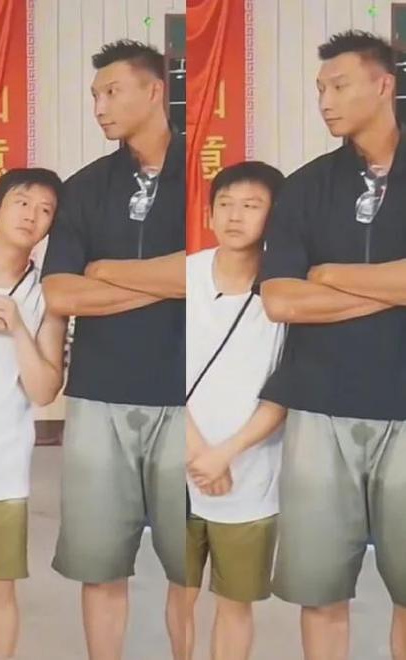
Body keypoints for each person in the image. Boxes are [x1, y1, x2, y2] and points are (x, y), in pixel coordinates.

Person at [260, 31, 406, 660]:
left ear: (383, 84)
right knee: (319, 592)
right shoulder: (305, 186)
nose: (325, 100)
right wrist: (393, 288)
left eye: (339, 85)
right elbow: (280, 300)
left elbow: (307, 288)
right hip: (318, 408)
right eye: (320, 88)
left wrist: (331, 275)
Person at [41, 40, 186, 659]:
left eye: (111, 92)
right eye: (94, 95)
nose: (99, 106)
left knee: (188, 567)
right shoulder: (85, 187)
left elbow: (216, 274)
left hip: (188, 397)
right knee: (100, 566)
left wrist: (108, 273)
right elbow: (60, 291)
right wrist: (167, 279)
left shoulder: (207, 177)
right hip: (99, 398)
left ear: (154, 91)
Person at [185, 161, 286, 660]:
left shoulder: (286, 291)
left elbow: (287, 387)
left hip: (250, 475)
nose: (234, 215)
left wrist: (226, 453)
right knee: (177, 596)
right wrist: (199, 452)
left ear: (274, 217)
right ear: (208, 214)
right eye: (224, 204)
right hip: (180, 465)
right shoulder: (184, 276)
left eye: (251, 205)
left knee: (234, 604)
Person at [0, 167, 66, 660]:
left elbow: (44, 390)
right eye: (23, 202)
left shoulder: (47, 293)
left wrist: (17, 328)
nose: (32, 215)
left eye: (45, 210)